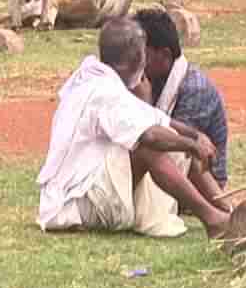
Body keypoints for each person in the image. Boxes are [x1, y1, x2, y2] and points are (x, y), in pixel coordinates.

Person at [36, 18, 230, 238]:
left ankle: (228, 212)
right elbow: (148, 134)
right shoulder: (105, 91)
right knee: (150, 146)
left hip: (78, 194)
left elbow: (157, 120)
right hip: (75, 205)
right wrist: (192, 144)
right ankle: (214, 220)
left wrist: (194, 137)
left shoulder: (91, 77)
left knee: (171, 138)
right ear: (139, 57)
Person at [133, 8, 229, 192]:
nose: (135, 61)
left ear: (165, 55)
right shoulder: (149, 79)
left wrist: (143, 104)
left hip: (201, 183)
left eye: (142, 55)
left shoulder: (194, 89)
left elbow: (173, 146)